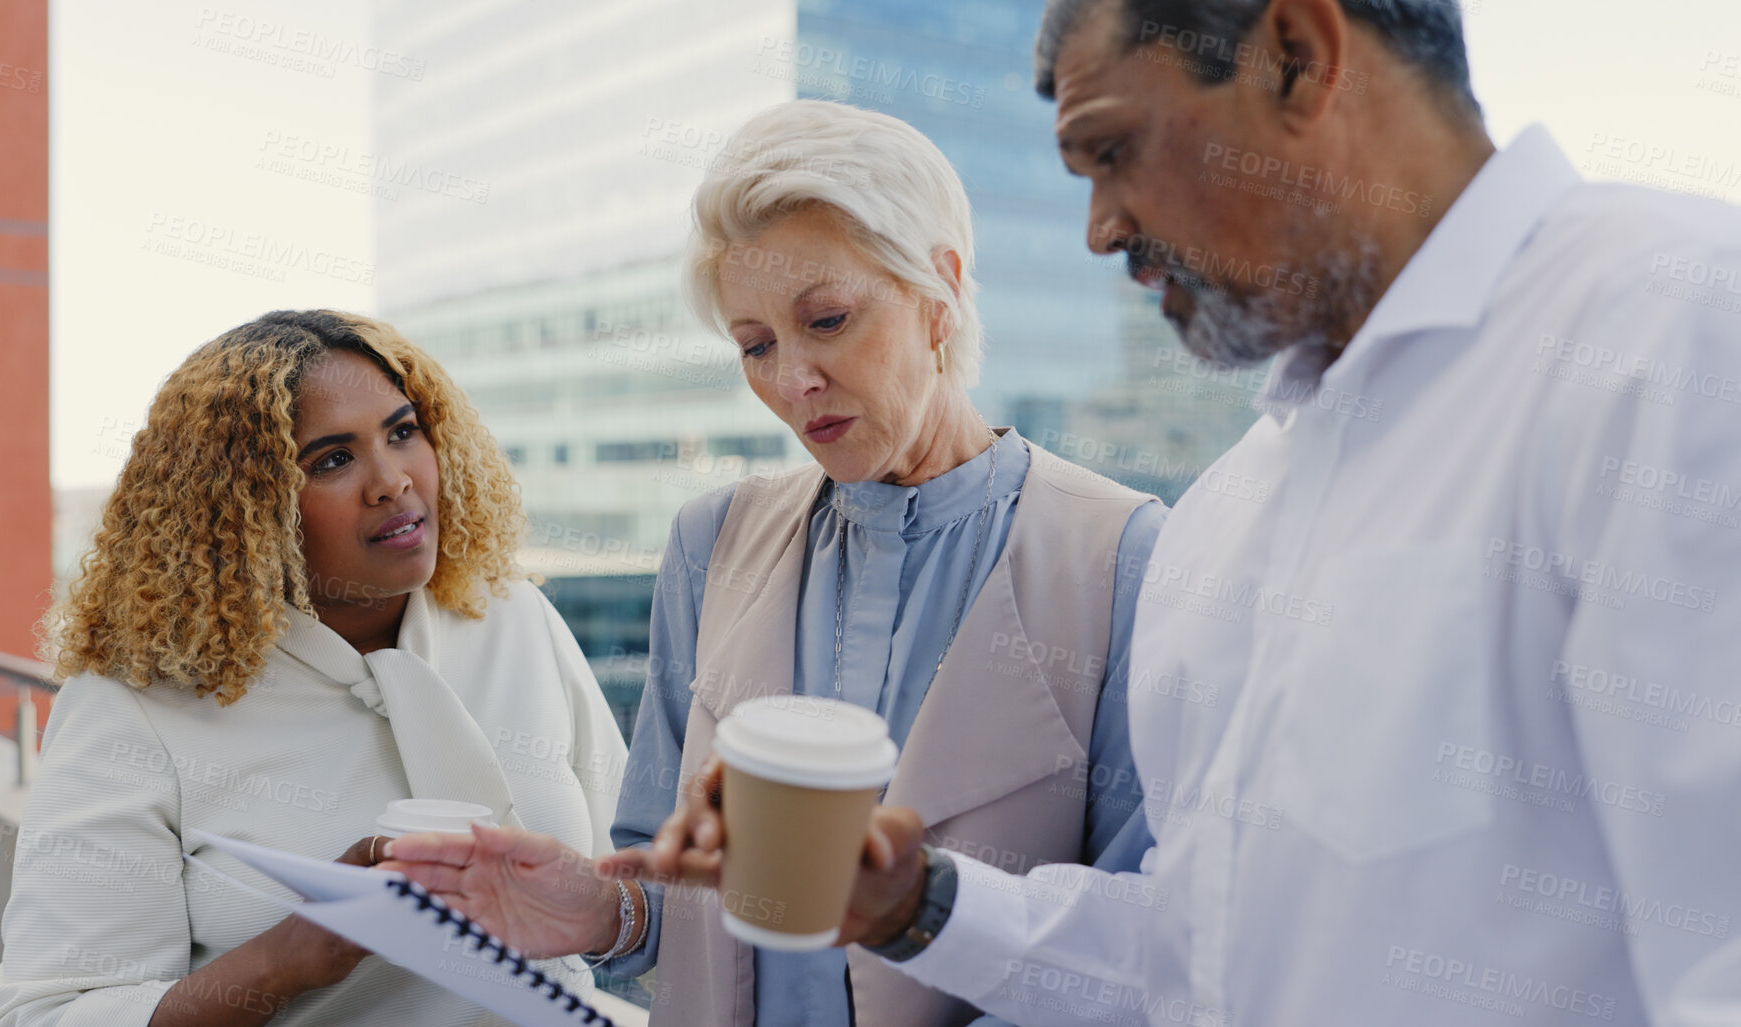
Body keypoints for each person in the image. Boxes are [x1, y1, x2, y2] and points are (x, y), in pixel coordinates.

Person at [625, 1, 1741, 1025]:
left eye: (1113, 151)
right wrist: (917, 901)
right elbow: (1193, 952)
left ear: (1298, 58)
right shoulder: (1230, 517)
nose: (1099, 231)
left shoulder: (1678, 336)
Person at [380, 100, 1167, 1027]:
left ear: (939, 292)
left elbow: (1147, 955)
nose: (791, 381)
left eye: (826, 320)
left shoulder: (1124, 555)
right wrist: (603, 907)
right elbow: (675, 880)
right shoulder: (710, 541)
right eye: (754, 345)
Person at [0, 310, 627, 1026]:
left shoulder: (511, 617)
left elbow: (631, 881)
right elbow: (43, 1016)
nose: (391, 482)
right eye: (331, 459)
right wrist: (287, 957)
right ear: (242, 511)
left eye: (403, 431)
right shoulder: (133, 703)